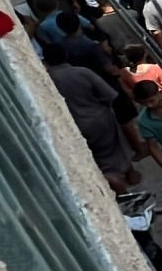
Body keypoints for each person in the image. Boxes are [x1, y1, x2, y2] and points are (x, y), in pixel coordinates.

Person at [42, 41, 139, 192]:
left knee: (98, 157)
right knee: (117, 147)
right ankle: (126, 176)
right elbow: (109, 94)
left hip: (75, 125)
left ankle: (114, 179)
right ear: (65, 55)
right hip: (99, 117)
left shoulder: (46, 82)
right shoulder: (81, 72)